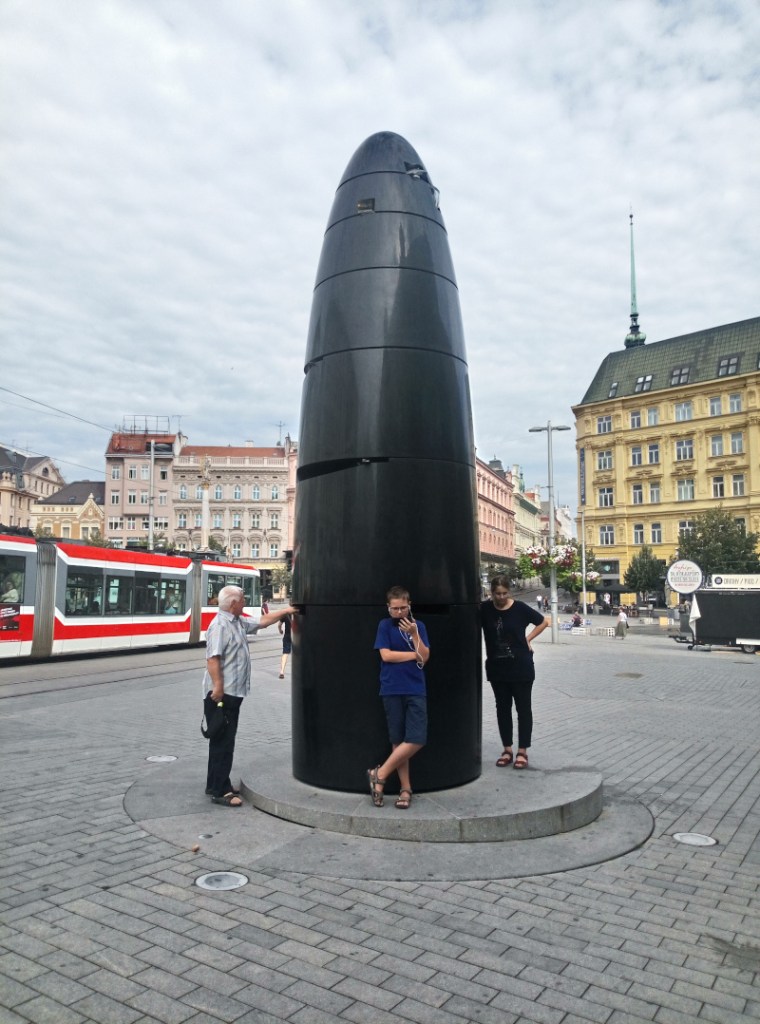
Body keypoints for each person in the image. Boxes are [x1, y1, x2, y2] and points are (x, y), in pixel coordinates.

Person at [202, 585, 296, 807]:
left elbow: (261, 621)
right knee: (223, 742)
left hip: (232, 693)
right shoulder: (220, 625)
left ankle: (214, 783)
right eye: (243, 599)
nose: (245, 602)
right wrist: (218, 687)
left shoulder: (236, 621)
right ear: (233, 604)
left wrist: (287, 611)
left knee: (221, 740)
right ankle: (221, 791)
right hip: (222, 694)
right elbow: (213, 659)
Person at [367, 585, 430, 810]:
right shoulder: (384, 625)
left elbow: (426, 656)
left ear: (409, 605)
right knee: (398, 739)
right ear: (388, 607)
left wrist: (414, 634)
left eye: (403, 608)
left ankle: (380, 773)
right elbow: (386, 656)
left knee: (416, 738)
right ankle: (405, 788)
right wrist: (414, 655)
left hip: (415, 688)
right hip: (392, 687)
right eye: (395, 608)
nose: (399, 612)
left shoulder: (418, 626)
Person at [481, 575, 549, 770]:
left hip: (521, 667)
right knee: (502, 709)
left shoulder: (520, 608)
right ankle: (507, 749)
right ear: (491, 592)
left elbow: (543, 622)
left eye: (504, 593)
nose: (501, 597)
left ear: (509, 591)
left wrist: (528, 639)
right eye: (497, 594)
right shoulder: (485, 609)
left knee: (523, 709)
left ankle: (522, 751)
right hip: (497, 668)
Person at [278, 611, 292, 678]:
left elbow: (279, 625)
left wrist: (280, 630)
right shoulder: (300, 613)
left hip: (287, 636)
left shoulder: (286, 614)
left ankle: (282, 672)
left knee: (285, 653)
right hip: (297, 636)